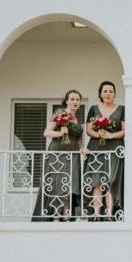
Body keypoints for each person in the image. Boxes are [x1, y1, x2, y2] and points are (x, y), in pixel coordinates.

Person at [34, 88, 86, 220]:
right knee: (58, 182)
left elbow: (78, 138)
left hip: (73, 154)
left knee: (70, 183)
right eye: (72, 99)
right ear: (66, 101)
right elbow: (47, 132)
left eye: (77, 99)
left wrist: (83, 148)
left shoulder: (77, 120)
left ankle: (66, 214)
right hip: (58, 152)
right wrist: (60, 133)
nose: (75, 101)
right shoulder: (60, 113)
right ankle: (56, 215)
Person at [83, 81, 125, 220]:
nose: (108, 93)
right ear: (100, 94)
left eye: (111, 91)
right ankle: (96, 213)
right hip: (97, 147)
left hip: (115, 148)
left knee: (111, 180)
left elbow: (125, 131)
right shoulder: (94, 109)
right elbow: (88, 130)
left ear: (114, 94)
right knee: (97, 180)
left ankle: (109, 214)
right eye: (105, 91)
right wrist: (98, 134)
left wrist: (111, 135)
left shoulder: (122, 109)